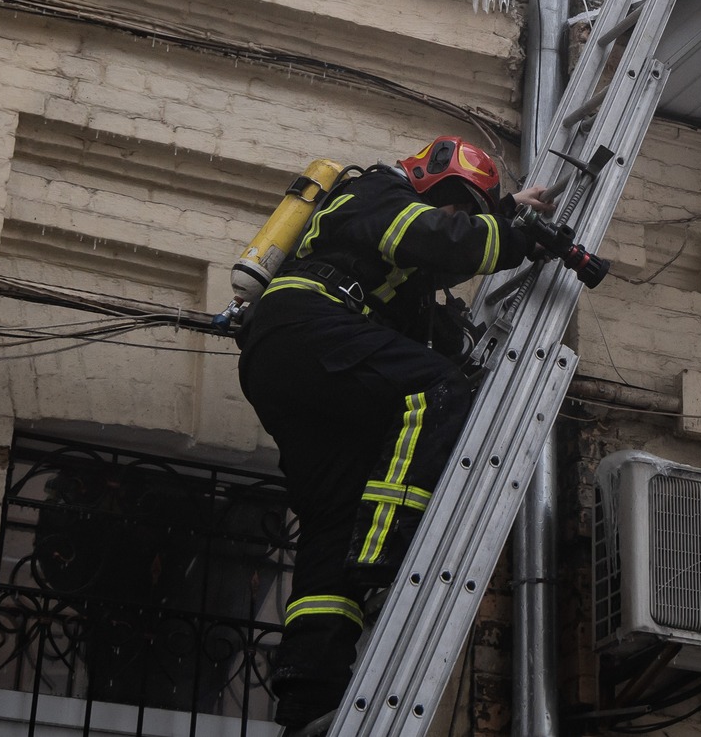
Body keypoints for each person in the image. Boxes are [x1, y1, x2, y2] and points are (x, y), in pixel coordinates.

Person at [237, 136, 559, 735]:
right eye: (453, 203)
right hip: (306, 327)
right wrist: (513, 236)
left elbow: (438, 256)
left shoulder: (401, 272)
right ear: (423, 179)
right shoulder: (374, 192)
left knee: (334, 516)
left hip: (296, 366)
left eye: (470, 210)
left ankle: (308, 692)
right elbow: (435, 236)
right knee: (433, 389)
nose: (458, 218)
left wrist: (506, 212)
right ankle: (386, 553)